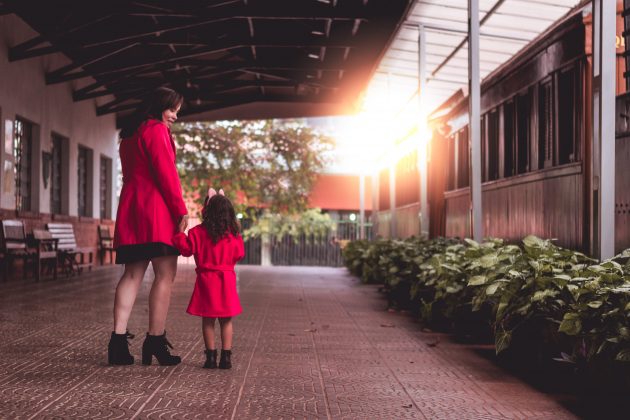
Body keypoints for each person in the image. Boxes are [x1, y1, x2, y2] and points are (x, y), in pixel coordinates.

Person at [108, 87, 189, 366]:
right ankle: (155, 341)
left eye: (177, 111)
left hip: (131, 210)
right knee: (165, 274)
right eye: (172, 109)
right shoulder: (155, 130)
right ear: (158, 106)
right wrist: (181, 210)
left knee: (131, 275)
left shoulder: (129, 135)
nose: (175, 116)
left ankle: (117, 344)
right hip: (155, 211)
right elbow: (166, 173)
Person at [172, 188, 245, 369]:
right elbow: (240, 254)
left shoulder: (197, 232)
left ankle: (210, 358)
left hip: (206, 280)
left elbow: (186, 249)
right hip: (226, 279)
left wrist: (180, 233)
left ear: (207, 210)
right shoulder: (234, 235)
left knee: (208, 319)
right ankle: (226, 358)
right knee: (226, 319)